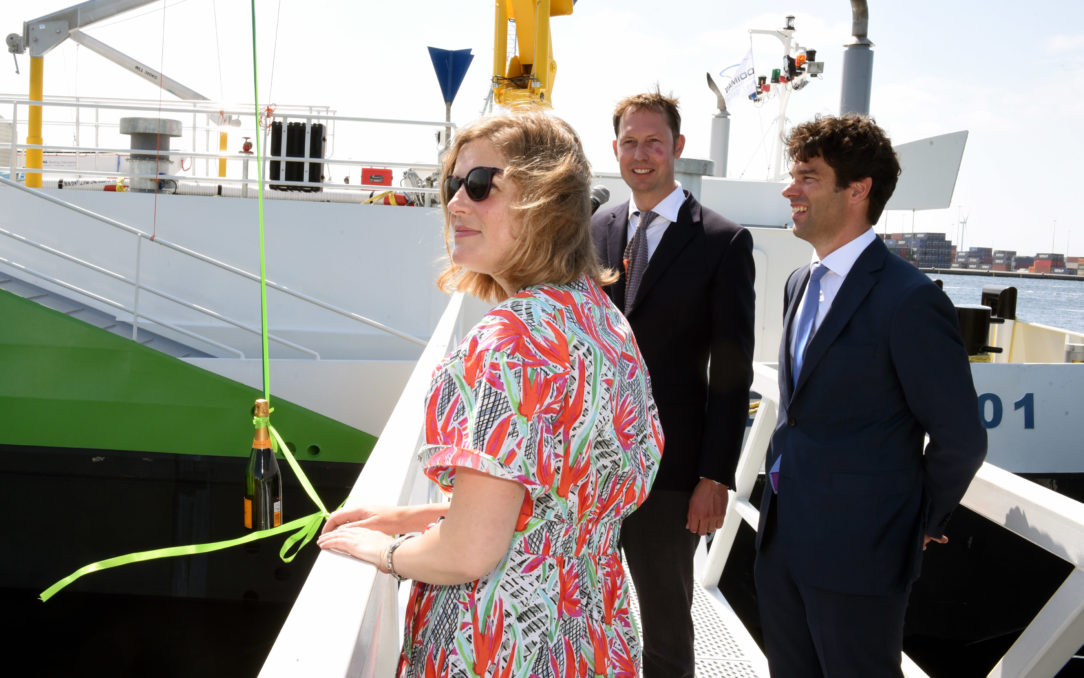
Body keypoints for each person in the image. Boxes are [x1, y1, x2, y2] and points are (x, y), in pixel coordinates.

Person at [317, 109, 664, 678]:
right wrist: (408, 515)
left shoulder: (508, 339)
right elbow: (552, 505)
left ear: (546, 200)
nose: (456, 203)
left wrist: (382, 552)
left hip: (502, 646)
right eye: (452, 184)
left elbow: (469, 553)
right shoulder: (602, 320)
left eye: (480, 185)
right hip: (591, 635)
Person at [754, 113, 987, 677]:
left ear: (857, 190)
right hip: (784, 534)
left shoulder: (909, 300)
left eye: (808, 177)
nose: (790, 189)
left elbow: (961, 438)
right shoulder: (798, 283)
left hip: (862, 553)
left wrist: (913, 525)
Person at [591, 90, 756, 677]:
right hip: (593, 464)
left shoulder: (722, 241)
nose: (641, 154)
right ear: (615, 148)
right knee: (585, 607)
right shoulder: (598, 226)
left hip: (672, 467)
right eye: (629, 142)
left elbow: (732, 373)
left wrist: (716, 475)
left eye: (653, 142)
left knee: (665, 618)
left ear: (677, 148)